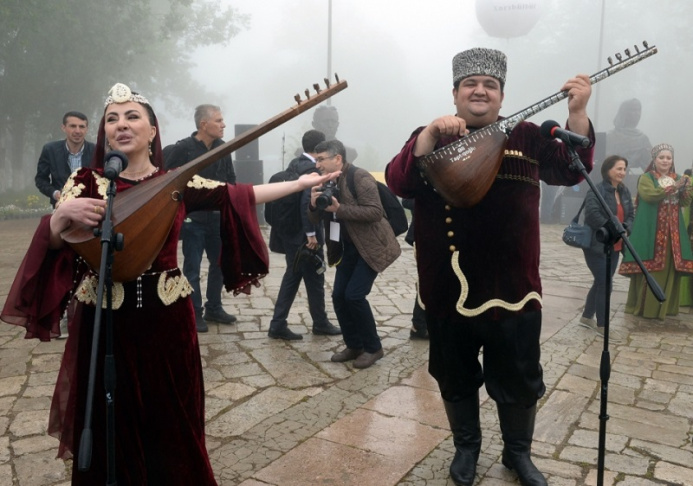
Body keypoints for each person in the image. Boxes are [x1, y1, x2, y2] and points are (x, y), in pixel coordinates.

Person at [0, 83, 338, 485]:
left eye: (132, 117)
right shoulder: (86, 182)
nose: (121, 125)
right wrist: (58, 219)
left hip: (166, 324)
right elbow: (59, 243)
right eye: (112, 118)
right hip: (104, 324)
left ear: (152, 130)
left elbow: (237, 195)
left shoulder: (176, 182)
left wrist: (299, 185)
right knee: (109, 420)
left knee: (170, 425)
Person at [385, 47, 594, 486]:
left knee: (518, 377)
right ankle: (466, 448)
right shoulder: (430, 139)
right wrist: (426, 134)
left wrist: (577, 114)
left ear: (501, 95)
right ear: (456, 93)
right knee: (454, 375)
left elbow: (570, 171)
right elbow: (399, 181)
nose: (480, 91)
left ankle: (517, 454)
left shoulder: (529, 136)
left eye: (490, 85)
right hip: (448, 288)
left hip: (513, 287)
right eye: (470, 84)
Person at [308, 139, 401, 369]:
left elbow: (374, 212)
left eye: (321, 160)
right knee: (339, 296)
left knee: (354, 296)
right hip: (346, 248)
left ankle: (373, 348)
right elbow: (316, 218)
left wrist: (340, 209)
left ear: (338, 159)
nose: (317, 164)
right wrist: (313, 205)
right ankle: (354, 345)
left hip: (370, 246)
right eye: (316, 160)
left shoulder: (359, 177)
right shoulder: (326, 180)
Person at [165, 104, 238, 333]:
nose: (223, 124)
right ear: (203, 124)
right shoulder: (183, 149)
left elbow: (231, 180)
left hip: (217, 218)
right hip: (193, 219)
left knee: (219, 265)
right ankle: (194, 312)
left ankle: (214, 307)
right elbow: (167, 180)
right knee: (193, 267)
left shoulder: (223, 148)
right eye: (219, 120)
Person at [267, 129, 341, 340]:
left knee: (304, 275)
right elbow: (306, 203)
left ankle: (316, 321)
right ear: (320, 147)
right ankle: (283, 324)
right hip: (305, 236)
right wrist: (311, 234)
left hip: (290, 234)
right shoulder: (313, 170)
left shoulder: (295, 164)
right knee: (304, 277)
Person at [619, 143, 693, 319]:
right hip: (651, 233)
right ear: (654, 159)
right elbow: (650, 195)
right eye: (662, 157)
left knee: (669, 268)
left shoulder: (678, 177)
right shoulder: (647, 178)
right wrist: (675, 187)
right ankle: (647, 309)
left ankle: (667, 308)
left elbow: (684, 203)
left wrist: (686, 189)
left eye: (668, 158)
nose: (665, 161)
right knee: (650, 268)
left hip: (673, 233)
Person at [579, 155, 635, 344]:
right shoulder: (597, 190)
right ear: (608, 169)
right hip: (598, 245)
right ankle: (603, 325)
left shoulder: (625, 191)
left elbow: (631, 215)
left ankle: (587, 317)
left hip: (616, 246)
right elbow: (593, 214)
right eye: (618, 168)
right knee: (605, 284)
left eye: (624, 169)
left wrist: (626, 227)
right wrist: (613, 229)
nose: (622, 172)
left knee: (602, 281)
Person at [35, 111, 95, 207]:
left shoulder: (97, 151)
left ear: (87, 129)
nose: (77, 131)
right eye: (73, 126)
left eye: (82, 127)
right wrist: (55, 193)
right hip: (61, 207)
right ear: (63, 128)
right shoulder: (50, 150)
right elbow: (41, 179)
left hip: (90, 207)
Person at [605, 98, 652, 195]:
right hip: (612, 186)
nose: (637, 113)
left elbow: (650, 166)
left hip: (635, 188)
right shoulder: (611, 136)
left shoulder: (643, 139)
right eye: (633, 110)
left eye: (639, 110)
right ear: (624, 112)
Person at [402, 198, 428, 339]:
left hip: (442, 236)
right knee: (427, 282)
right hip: (424, 236)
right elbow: (406, 201)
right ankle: (419, 326)